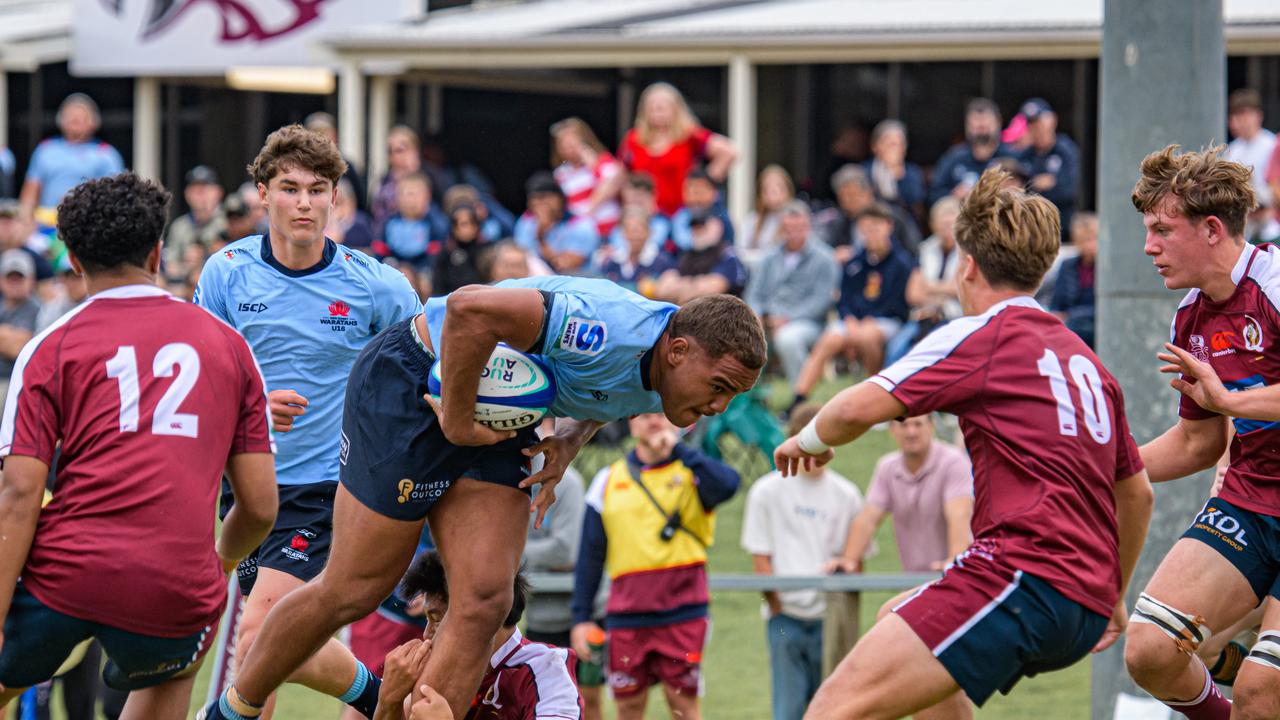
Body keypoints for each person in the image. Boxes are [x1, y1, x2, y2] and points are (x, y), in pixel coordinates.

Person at [200, 277, 766, 720]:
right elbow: (470, 309)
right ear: (679, 349)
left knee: (486, 598)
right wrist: (457, 415)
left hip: (496, 406)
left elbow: (615, 387)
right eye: (718, 388)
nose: (719, 407)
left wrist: (570, 438)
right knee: (355, 587)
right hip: (413, 379)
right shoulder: (603, 328)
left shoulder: (666, 368)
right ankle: (234, 708)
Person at [776, 165, 1153, 719]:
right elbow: (1138, 496)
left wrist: (804, 439)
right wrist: (1114, 593)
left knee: (831, 709)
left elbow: (857, 407)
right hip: (1086, 599)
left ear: (966, 265)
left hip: (1024, 574)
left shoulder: (982, 334)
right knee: (898, 623)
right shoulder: (1088, 362)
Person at [0, 171, 278, 718]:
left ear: (73, 260)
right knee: (170, 676)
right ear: (157, 252)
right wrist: (214, 565)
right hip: (177, 587)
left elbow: (18, 495)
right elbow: (261, 506)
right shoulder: (230, 347)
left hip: (66, 576)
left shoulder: (49, 347)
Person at [194, 124, 423, 720]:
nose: (304, 202)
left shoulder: (379, 287)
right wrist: (250, 405)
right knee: (275, 646)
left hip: (325, 486)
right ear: (262, 194)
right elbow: (202, 377)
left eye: (317, 190)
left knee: (260, 632)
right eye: (289, 188)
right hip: (242, 487)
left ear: (335, 198)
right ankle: (379, 699)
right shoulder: (226, 272)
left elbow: (425, 372)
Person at [1121, 145, 1280, 720]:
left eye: (1163, 230)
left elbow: (1225, 406)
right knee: (1149, 650)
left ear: (1212, 229)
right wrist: (1107, 468)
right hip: (1251, 500)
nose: (1149, 247)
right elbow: (1198, 442)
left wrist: (1230, 399)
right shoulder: (1191, 317)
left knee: (1263, 688)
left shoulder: (1276, 284)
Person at [572, 413, 741, 720]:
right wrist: (581, 617)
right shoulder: (608, 479)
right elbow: (590, 555)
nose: (654, 421)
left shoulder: (691, 470)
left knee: (683, 706)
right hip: (627, 616)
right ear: (631, 424)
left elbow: (729, 485)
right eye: (644, 414)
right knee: (628, 707)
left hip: (683, 614)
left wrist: (679, 451)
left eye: (663, 413)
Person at [740, 404, 866, 720]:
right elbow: (760, 558)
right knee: (789, 710)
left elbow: (857, 560)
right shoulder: (766, 491)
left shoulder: (847, 494)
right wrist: (778, 608)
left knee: (835, 709)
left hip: (830, 616)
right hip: (786, 618)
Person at [373, 552, 582, 720]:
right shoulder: (433, 671)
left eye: (437, 619)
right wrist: (388, 700)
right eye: (427, 620)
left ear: (481, 610)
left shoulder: (545, 670)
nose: (427, 634)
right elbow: (345, 673)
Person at [791, 203, 921, 410]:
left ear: (888, 226)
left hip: (888, 321)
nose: (870, 234)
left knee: (868, 337)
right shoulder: (855, 261)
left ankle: (874, 399)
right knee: (829, 340)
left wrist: (868, 320)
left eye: (875, 228)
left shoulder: (902, 263)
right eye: (865, 229)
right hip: (853, 321)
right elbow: (844, 298)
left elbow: (898, 303)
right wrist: (849, 318)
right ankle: (798, 399)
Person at [828, 414, 972, 575]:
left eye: (918, 424)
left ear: (931, 427)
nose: (911, 432)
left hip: (955, 577)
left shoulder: (954, 462)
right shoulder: (887, 467)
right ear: (892, 431)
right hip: (913, 578)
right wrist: (848, 561)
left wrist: (954, 560)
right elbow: (868, 518)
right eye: (904, 425)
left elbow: (959, 514)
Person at [744, 200, 840, 385]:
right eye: (788, 227)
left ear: (808, 226)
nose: (793, 232)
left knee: (788, 338)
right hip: (767, 320)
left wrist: (787, 317)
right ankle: (752, 398)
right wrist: (756, 314)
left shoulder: (825, 258)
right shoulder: (769, 257)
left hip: (808, 322)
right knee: (745, 337)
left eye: (799, 227)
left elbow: (822, 301)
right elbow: (754, 294)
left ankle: (801, 397)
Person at [618, 82, 737, 216]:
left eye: (662, 109)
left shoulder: (690, 136)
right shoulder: (634, 139)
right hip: (648, 215)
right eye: (652, 109)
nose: (657, 114)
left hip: (683, 212)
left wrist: (704, 183)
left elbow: (729, 151)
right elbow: (622, 175)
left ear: (675, 109)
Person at [19, 94, 124, 219]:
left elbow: (115, 197)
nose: (75, 121)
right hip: (47, 224)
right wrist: (25, 220)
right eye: (70, 117)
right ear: (60, 120)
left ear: (93, 122)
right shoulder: (45, 150)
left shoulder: (106, 154)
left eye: (80, 118)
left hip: (87, 223)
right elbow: (30, 193)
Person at [819, 164, 921, 262]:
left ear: (868, 192)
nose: (848, 201)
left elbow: (913, 252)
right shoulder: (841, 222)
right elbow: (828, 250)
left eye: (853, 195)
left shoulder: (894, 217)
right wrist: (834, 254)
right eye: (842, 197)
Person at [1016, 99, 1080, 242]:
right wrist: (1037, 184)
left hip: (1061, 231)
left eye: (1038, 121)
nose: (1036, 127)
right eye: (1031, 123)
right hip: (1030, 232)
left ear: (1052, 120)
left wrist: (1033, 187)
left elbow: (1069, 191)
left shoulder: (1065, 149)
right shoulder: (1025, 155)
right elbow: (1018, 191)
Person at [927, 98, 1011, 205]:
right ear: (967, 126)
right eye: (976, 126)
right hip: (964, 215)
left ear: (998, 123)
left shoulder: (1011, 156)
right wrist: (954, 195)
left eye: (985, 126)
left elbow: (1029, 190)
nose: (981, 130)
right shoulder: (954, 157)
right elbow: (933, 195)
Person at [513, 172, 600, 274]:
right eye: (535, 198)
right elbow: (522, 260)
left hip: (577, 280)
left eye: (545, 197)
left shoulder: (580, 224)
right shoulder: (526, 222)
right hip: (537, 282)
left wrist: (541, 236)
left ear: (560, 199)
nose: (541, 203)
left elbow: (564, 265)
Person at [552, 117, 626, 238]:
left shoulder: (603, 162)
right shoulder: (560, 174)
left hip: (610, 229)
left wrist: (594, 165)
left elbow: (613, 183)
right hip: (579, 232)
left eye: (572, 142)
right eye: (563, 144)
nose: (568, 148)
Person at [379, 172, 447, 294]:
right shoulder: (388, 223)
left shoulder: (436, 223)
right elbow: (381, 252)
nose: (409, 200)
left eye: (413, 194)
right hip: (396, 270)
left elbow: (436, 256)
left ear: (427, 196)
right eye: (403, 194)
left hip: (426, 272)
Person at [597, 205, 673, 296]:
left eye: (639, 230)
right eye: (630, 230)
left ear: (649, 232)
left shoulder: (662, 261)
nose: (635, 236)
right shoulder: (611, 262)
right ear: (623, 232)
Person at [164, 165, 227, 276]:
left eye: (205, 189)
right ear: (187, 194)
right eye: (195, 189)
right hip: (189, 288)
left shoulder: (229, 221)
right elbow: (170, 267)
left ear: (218, 192)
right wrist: (187, 265)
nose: (200, 194)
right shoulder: (179, 226)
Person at [0, 249, 42, 405]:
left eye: (19, 278)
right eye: (10, 278)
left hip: (17, 381)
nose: (15, 284)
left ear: (31, 280)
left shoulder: (36, 308)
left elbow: (18, 348)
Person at [863, 120, 926, 225]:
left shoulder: (912, 172)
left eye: (900, 144)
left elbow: (915, 203)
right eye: (891, 144)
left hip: (904, 227)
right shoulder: (864, 171)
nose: (896, 149)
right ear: (875, 147)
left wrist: (899, 175)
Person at [1049, 212, 1098, 348]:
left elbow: (1103, 308)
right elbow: (1057, 303)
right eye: (1086, 240)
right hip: (1070, 324)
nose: (1091, 245)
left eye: (1095, 239)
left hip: (1093, 325)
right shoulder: (1068, 265)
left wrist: (1070, 315)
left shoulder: (1106, 269)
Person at [305, 111, 367, 212]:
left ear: (334, 136)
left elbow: (360, 204)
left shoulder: (346, 167)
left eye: (325, 133)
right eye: (315, 133)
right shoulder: (300, 166)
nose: (320, 139)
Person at [1224, 89, 1276, 207]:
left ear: (1258, 116)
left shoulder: (1272, 145)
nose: (1240, 122)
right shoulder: (1232, 149)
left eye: (1245, 115)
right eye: (1236, 116)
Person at [668, 167, 736, 252]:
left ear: (713, 193)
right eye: (689, 191)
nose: (695, 198)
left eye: (699, 191)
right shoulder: (680, 217)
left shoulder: (721, 218)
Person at [739, 164, 796, 265]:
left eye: (779, 187)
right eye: (767, 188)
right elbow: (740, 252)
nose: (773, 192)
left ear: (789, 191)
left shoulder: (796, 221)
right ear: (761, 194)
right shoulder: (752, 220)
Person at [374, 126, 425, 231]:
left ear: (415, 151)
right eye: (391, 152)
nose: (396, 156)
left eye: (400, 150)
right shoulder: (384, 182)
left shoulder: (430, 176)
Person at [431, 203, 488, 296]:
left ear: (476, 226)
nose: (465, 229)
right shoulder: (445, 253)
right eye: (461, 224)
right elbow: (438, 286)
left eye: (469, 223)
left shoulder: (486, 251)